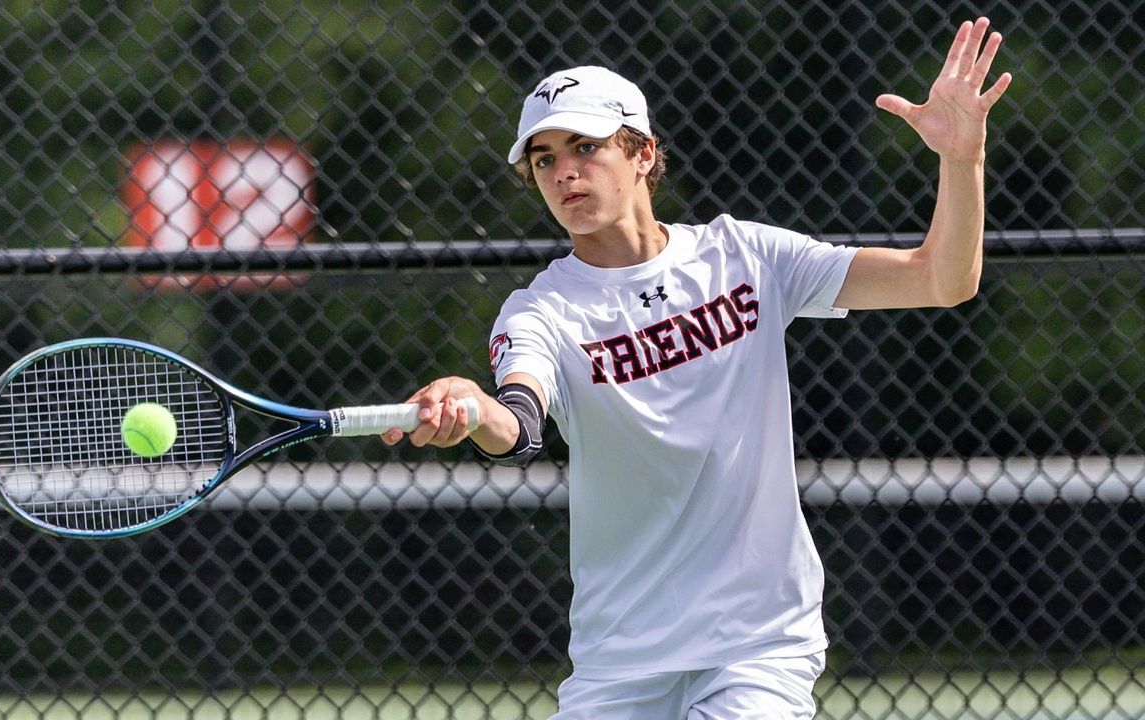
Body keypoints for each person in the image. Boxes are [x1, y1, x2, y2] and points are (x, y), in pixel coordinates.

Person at [382, 17, 1011, 719]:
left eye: (586, 148)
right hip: (620, 658)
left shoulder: (746, 256)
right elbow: (519, 421)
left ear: (644, 152)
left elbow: (940, 279)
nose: (563, 172)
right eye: (543, 158)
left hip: (758, 643)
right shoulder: (540, 311)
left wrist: (963, 159)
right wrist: (473, 407)